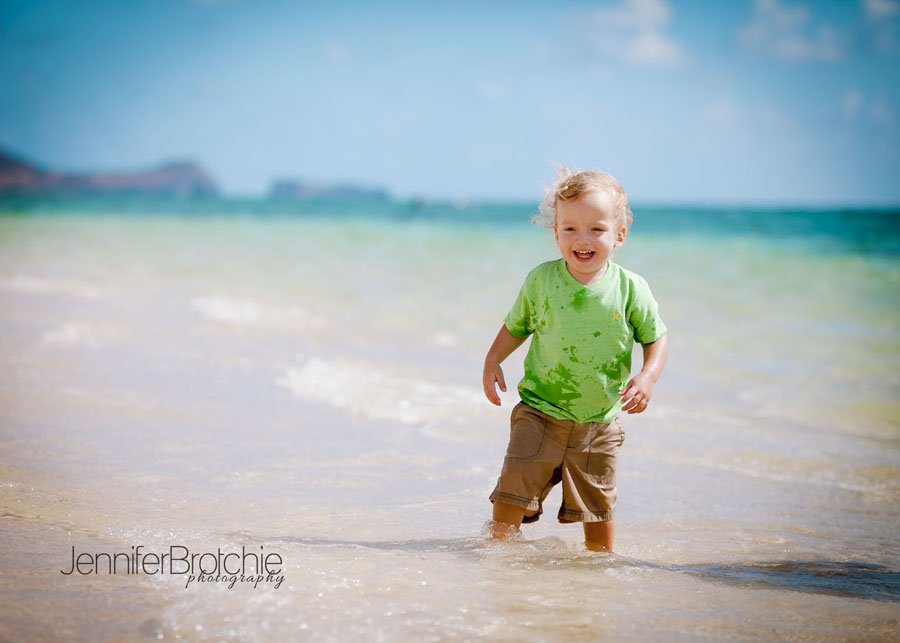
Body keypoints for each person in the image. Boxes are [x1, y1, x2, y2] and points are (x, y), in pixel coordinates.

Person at [482, 167, 669, 552]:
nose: (582, 239)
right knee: (511, 491)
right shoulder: (541, 281)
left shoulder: (631, 288)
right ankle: (497, 556)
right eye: (569, 229)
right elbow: (517, 326)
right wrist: (493, 359)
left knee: (598, 510)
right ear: (555, 233)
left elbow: (656, 338)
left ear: (619, 235)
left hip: (598, 424)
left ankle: (599, 572)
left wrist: (647, 377)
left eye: (596, 229)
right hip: (539, 410)